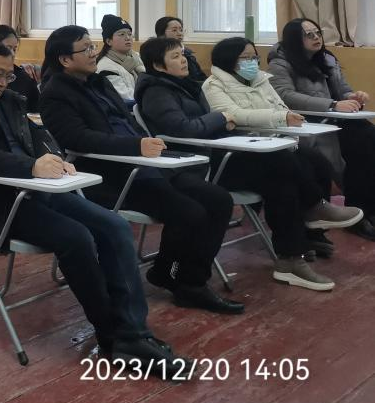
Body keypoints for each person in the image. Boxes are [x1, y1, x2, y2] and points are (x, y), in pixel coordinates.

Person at [0, 40, 191, 375]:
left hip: (39, 190)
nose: (3, 82)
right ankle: (112, 333)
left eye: (8, 76)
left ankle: (133, 332)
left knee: (114, 226)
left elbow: (37, 136)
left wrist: (53, 157)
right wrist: (31, 167)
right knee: (76, 237)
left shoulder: (9, 100)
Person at [38, 27, 242, 312]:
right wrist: (136, 146)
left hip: (146, 165)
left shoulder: (99, 82)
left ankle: (175, 273)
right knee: (190, 212)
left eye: (92, 46)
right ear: (64, 59)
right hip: (111, 174)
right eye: (85, 49)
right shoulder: (54, 94)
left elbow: (127, 121)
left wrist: (147, 144)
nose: (93, 53)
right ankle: (186, 283)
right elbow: (77, 139)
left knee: (219, 200)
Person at [135, 35, 360, 291]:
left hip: (220, 151)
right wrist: (221, 118)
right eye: (175, 56)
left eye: (183, 53)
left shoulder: (186, 86)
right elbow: (184, 128)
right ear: (158, 65)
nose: (184, 59)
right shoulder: (157, 92)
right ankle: (313, 208)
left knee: (285, 178)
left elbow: (213, 122)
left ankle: (291, 259)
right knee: (282, 160)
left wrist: (222, 121)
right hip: (202, 165)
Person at [203, 36, 342, 258]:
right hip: (237, 155)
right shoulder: (213, 85)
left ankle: (314, 229)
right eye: (245, 58)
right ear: (228, 59)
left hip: (270, 145)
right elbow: (233, 115)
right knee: (287, 175)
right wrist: (279, 118)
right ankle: (312, 212)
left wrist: (287, 116)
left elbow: (280, 106)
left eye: (254, 57)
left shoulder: (261, 80)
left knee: (317, 161)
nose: (252, 62)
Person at [268, 17, 375, 240]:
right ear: (294, 39)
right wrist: (332, 104)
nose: (316, 37)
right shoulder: (280, 63)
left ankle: (364, 209)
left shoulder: (327, 59)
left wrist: (353, 96)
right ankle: (346, 217)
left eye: (318, 33)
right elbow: (285, 96)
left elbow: (342, 89)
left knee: (368, 139)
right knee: (354, 145)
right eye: (309, 35)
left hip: (334, 118)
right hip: (307, 121)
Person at [0, 25, 40, 113]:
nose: (12, 54)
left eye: (14, 49)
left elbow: (36, 111)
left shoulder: (24, 78)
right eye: (8, 48)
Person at [96, 14, 145, 102]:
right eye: (122, 34)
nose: (128, 38)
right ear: (109, 41)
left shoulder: (136, 56)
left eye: (130, 34)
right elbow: (127, 97)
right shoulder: (106, 67)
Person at [154, 16, 206, 82]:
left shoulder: (187, 53)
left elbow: (200, 76)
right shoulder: (156, 54)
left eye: (181, 30)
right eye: (174, 30)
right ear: (161, 34)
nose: (180, 34)